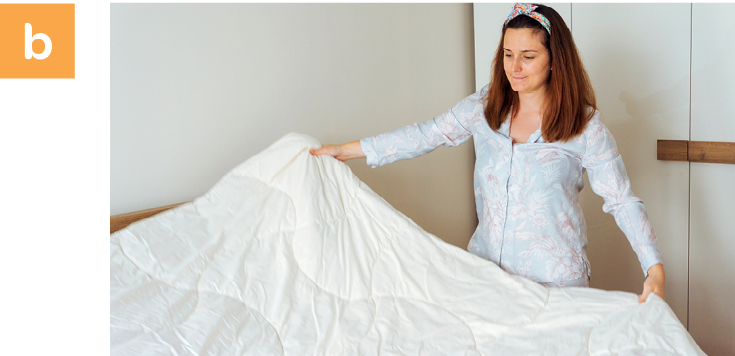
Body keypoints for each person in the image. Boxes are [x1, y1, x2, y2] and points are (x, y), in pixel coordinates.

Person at [310, 2, 665, 303]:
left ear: (555, 60)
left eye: (528, 56)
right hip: (486, 278)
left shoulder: (585, 127)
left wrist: (654, 268)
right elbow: (423, 135)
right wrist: (345, 150)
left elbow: (622, 200)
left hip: (557, 286)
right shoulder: (482, 109)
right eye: (508, 54)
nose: (515, 67)